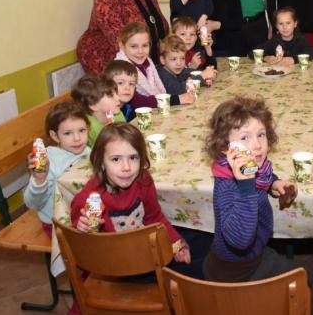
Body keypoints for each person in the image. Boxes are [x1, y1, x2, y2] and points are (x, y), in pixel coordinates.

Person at [202, 96, 300, 282]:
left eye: (261, 135)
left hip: (256, 252)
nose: (256, 145)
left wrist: (273, 183)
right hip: (234, 270)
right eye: (245, 138)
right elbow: (239, 241)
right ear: (224, 147)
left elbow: (262, 178)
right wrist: (246, 185)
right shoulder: (227, 183)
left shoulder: (253, 169)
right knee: (303, 281)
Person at [70, 123, 191, 264]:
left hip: (142, 251)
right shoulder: (88, 199)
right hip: (113, 265)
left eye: (133, 158)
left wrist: (176, 243)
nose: (126, 167)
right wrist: (83, 230)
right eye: (116, 159)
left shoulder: (143, 180)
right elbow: (80, 246)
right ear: (101, 162)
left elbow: (154, 217)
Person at [23, 100, 90, 236]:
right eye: (68, 133)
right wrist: (40, 179)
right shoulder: (48, 161)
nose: (77, 138)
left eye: (82, 130)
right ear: (55, 136)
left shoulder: (87, 151)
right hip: (58, 225)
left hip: (83, 216)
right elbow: (33, 204)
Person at [114, 22, 166, 109]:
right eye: (134, 46)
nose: (140, 51)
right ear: (122, 46)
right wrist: (173, 99)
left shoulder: (148, 63)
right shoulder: (119, 69)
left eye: (145, 45)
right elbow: (138, 102)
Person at [71, 74, 125, 147]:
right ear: (94, 105)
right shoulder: (87, 127)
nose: (118, 98)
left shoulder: (117, 115)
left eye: (116, 93)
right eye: (111, 96)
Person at [156, 34, 210, 106]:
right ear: (163, 60)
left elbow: (188, 72)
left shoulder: (175, 69)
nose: (179, 63)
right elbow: (178, 91)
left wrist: (206, 74)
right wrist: (202, 76)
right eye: (174, 59)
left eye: (182, 58)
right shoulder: (162, 74)